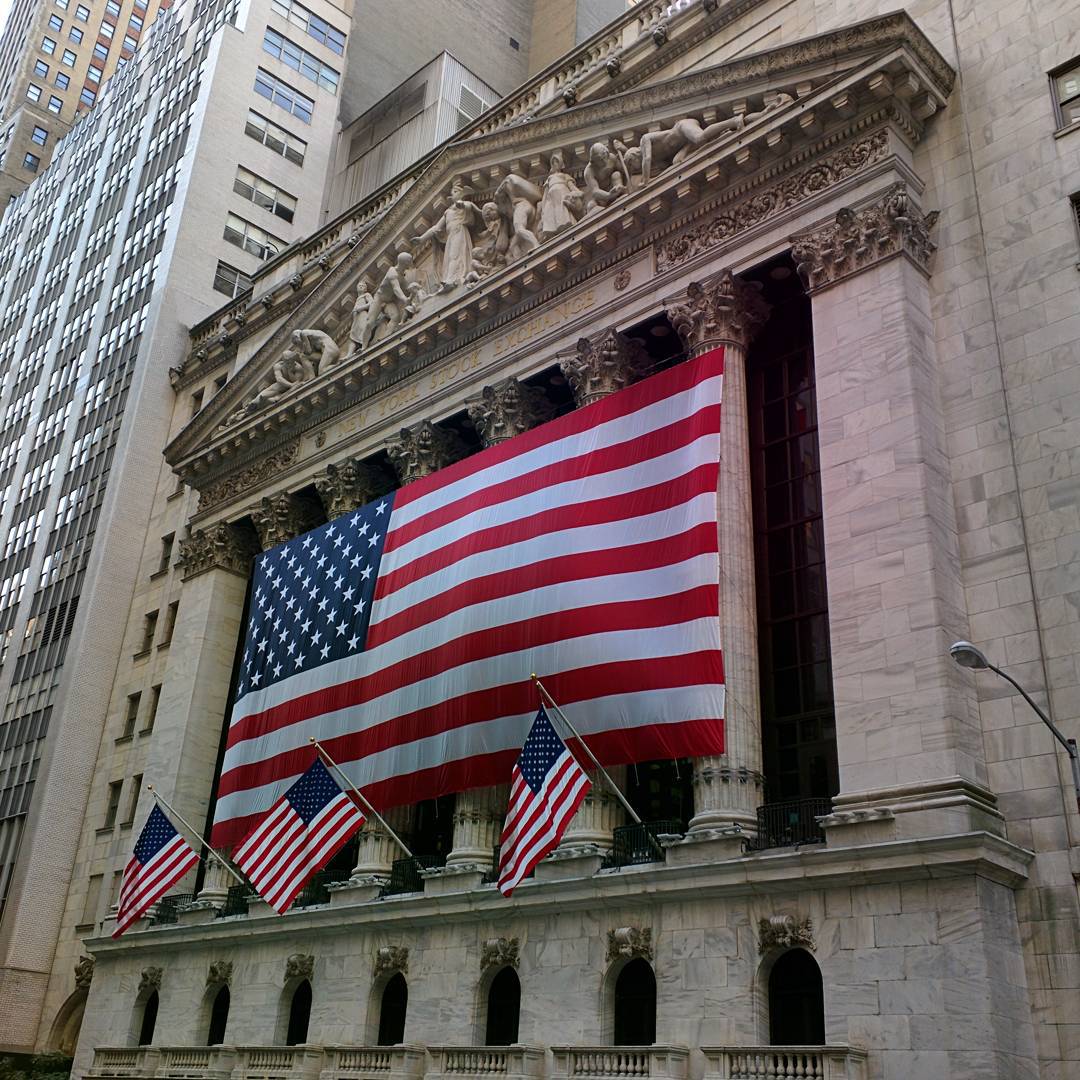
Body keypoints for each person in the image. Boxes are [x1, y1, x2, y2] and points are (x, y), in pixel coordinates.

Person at [410, 179, 483, 290]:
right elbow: (436, 228)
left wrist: (462, 205)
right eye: (452, 193)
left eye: (454, 192)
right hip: (451, 237)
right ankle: (450, 278)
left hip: (459, 232)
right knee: (450, 258)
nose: (452, 195)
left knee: (455, 256)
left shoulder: (465, 204)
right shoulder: (447, 212)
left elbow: (475, 211)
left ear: (461, 194)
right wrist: (421, 238)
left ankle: (451, 280)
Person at [538, 151, 583, 239]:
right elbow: (545, 195)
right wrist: (543, 209)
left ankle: (564, 227)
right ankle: (552, 230)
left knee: (563, 213)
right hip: (551, 200)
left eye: (557, 162)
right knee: (552, 213)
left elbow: (572, 187)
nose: (555, 164)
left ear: (561, 165)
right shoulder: (550, 178)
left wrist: (579, 192)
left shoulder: (564, 175)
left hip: (562, 195)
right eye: (553, 163)